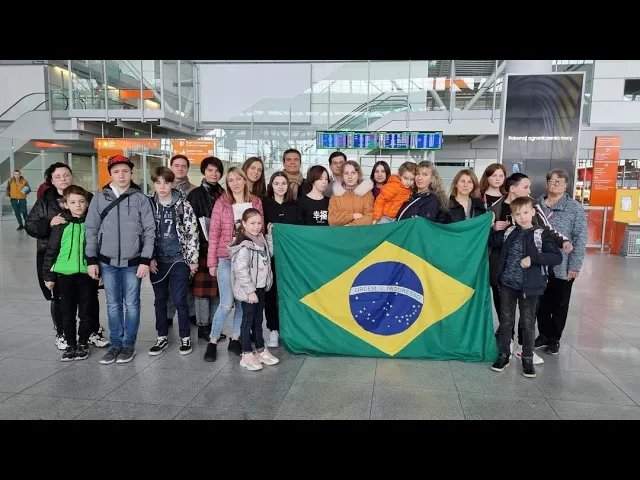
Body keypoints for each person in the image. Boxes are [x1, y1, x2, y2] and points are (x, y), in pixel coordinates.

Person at [25, 162, 109, 351]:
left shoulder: (86, 197)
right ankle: (62, 333)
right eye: (58, 176)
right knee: (59, 298)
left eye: (66, 175)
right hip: (55, 256)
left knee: (90, 297)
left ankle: (92, 331)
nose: (63, 179)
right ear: (51, 180)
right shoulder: (45, 201)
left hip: (85, 259)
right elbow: (30, 225)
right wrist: (49, 223)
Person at [85, 155, 156, 365]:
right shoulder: (99, 199)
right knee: (113, 304)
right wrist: (91, 260)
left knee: (132, 304)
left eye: (125, 171)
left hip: (133, 262)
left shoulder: (141, 199)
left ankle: (128, 345)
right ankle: (115, 344)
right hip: (107, 262)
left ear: (131, 173)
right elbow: (91, 230)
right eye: (116, 171)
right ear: (110, 174)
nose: (121, 175)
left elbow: (150, 231)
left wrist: (145, 259)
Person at [488, 196, 563, 378]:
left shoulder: (541, 234)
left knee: (528, 323)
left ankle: (527, 358)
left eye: (526, 212)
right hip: (507, 285)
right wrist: (491, 227)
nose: (522, 217)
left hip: (530, 287)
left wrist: (533, 259)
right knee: (506, 322)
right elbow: (491, 241)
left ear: (533, 212)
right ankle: (503, 355)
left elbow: (556, 257)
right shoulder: (509, 232)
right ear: (512, 216)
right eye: (518, 214)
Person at [204, 167, 263, 362]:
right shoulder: (222, 203)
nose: (235, 183)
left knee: (242, 304)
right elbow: (214, 234)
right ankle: (213, 341)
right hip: (226, 258)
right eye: (231, 180)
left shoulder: (255, 202)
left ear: (245, 180)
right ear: (227, 183)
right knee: (226, 303)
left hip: (248, 259)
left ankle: (235, 339)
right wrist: (212, 262)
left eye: (238, 179)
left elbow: (260, 230)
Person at [41, 185, 99, 362]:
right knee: (67, 312)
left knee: (86, 311)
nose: (78, 205)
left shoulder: (91, 224)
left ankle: (83, 343)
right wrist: (48, 276)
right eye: (73, 202)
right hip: (64, 275)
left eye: (81, 201)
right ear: (65, 204)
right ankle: (70, 344)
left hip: (87, 275)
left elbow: (98, 250)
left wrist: (100, 271)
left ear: (87, 203)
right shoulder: (61, 225)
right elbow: (51, 251)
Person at [148, 167, 200, 357]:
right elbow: (143, 232)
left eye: (166, 183)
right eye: (158, 183)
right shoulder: (149, 205)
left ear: (172, 183)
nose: (162, 187)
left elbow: (192, 231)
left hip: (179, 260)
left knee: (180, 300)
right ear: (153, 184)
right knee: (160, 300)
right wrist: (148, 258)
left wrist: (192, 260)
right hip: (157, 261)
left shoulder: (183, 204)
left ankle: (185, 337)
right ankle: (161, 336)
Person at [535, 169, 588, 355]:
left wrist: (575, 266)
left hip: (563, 264)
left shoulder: (574, 208)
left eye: (561, 182)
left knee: (559, 303)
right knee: (539, 302)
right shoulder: (537, 205)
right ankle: (543, 334)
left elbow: (580, 238)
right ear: (546, 183)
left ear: (566, 186)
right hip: (539, 263)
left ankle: (554, 338)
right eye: (553, 181)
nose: (556, 185)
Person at [228, 208, 279, 371]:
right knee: (247, 320)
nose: (257, 227)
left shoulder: (260, 239)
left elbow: (269, 255)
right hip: (249, 291)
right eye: (252, 223)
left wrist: (269, 236)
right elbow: (241, 271)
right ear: (244, 224)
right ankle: (247, 353)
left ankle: (260, 349)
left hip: (261, 287)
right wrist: (250, 292)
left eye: (259, 223)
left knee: (258, 319)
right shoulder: (244, 245)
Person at [186, 156, 226, 341]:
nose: (214, 174)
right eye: (210, 170)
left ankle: (214, 325)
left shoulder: (224, 194)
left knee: (218, 289)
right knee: (201, 292)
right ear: (204, 172)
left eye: (217, 171)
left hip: (220, 248)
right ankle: (203, 326)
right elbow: (189, 224)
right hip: (201, 248)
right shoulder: (195, 194)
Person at [262, 171, 302, 348]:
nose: (280, 186)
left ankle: (292, 328)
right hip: (270, 257)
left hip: (290, 258)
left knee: (291, 292)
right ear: (271, 185)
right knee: (270, 294)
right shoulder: (264, 205)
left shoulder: (295, 206)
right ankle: (273, 329)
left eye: (283, 183)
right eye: (276, 183)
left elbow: (301, 231)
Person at [328, 161, 374, 226]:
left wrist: (349, 226)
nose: (350, 177)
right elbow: (332, 220)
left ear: (358, 175)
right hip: (340, 232)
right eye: (346, 173)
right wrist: (352, 216)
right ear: (342, 176)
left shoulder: (367, 194)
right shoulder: (335, 195)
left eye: (353, 173)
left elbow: (369, 218)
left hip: (360, 232)